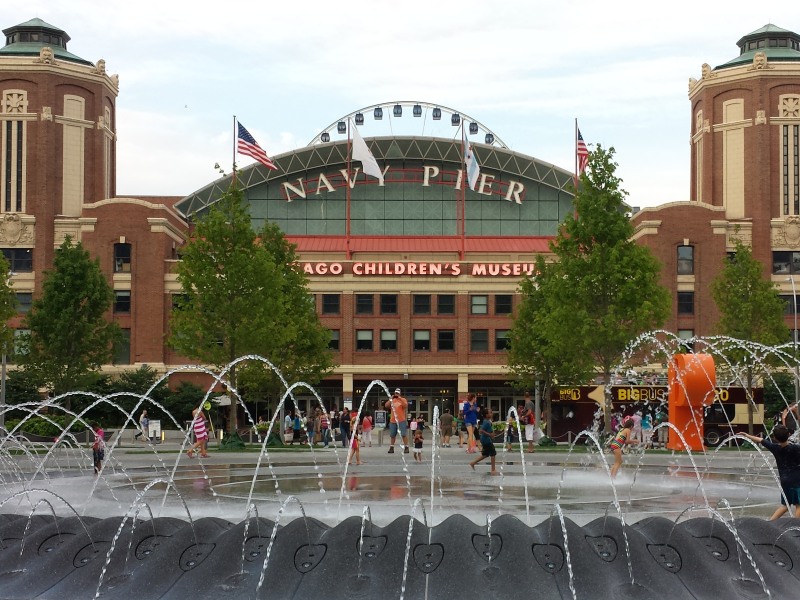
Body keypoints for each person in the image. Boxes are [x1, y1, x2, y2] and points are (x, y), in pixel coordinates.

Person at [741, 426, 800, 520]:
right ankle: (797, 527)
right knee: (799, 505)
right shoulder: (796, 448)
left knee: (785, 505)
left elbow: (761, 440)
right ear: (789, 435)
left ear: (775, 438)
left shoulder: (775, 448)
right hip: (797, 480)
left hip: (784, 481)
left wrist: (747, 435)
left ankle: (770, 522)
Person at [469, 407, 498, 475]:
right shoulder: (486, 422)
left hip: (485, 439)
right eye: (490, 412)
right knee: (493, 453)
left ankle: (473, 463)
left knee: (485, 454)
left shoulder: (488, 421)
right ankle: (493, 470)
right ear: (486, 415)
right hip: (486, 440)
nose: (492, 413)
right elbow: (481, 430)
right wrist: (490, 435)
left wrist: (491, 434)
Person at [385, 388, 409, 454]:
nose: (396, 394)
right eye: (396, 393)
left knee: (403, 434)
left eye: (398, 393)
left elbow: (406, 405)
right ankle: (391, 447)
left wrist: (400, 398)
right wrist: (391, 398)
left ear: (400, 393)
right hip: (393, 420)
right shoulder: (392, 400)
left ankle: (406, 447)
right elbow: (386, 405)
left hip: (401, 420)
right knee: (392, 435)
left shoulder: (403, 399)